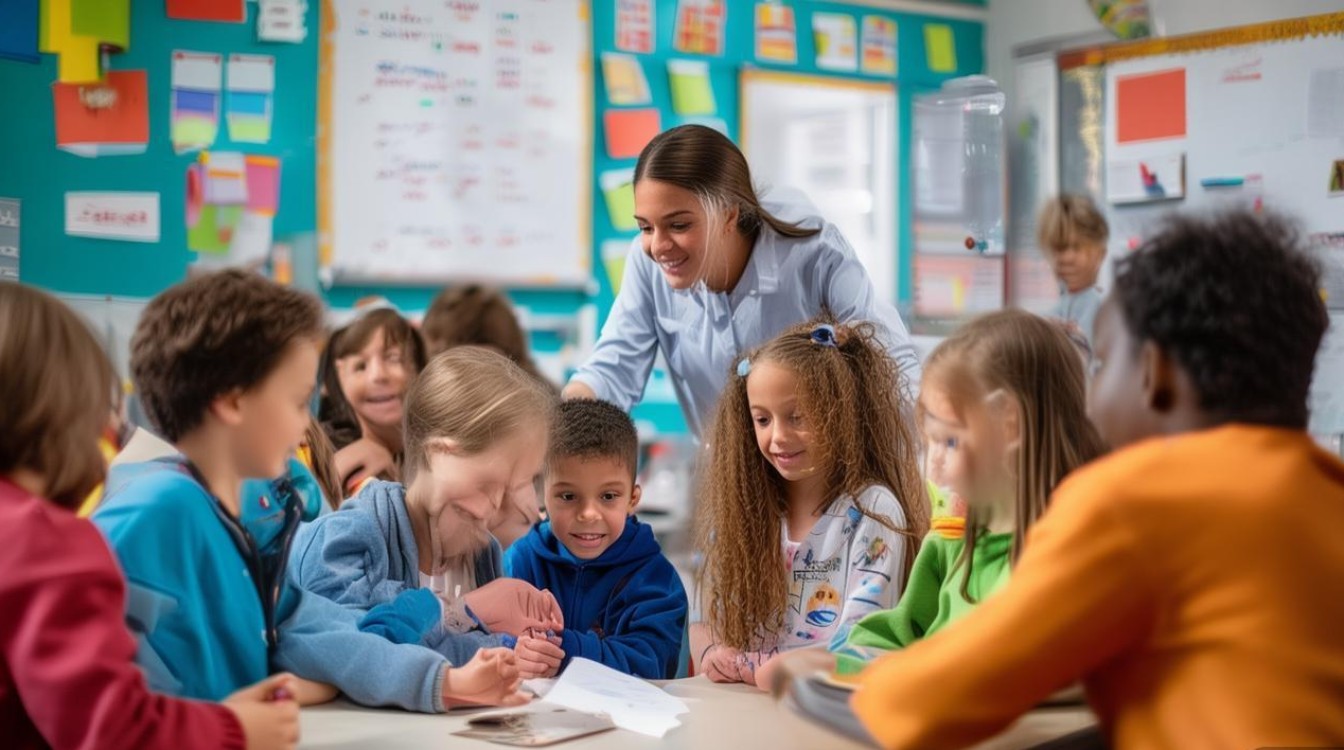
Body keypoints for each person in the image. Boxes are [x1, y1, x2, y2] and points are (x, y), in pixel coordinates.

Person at [850, 211, 1344, 747]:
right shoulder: (1328, 491)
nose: (1089, 398)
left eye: (1104, 365)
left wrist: (821, 683)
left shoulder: (1132, 501)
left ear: (1154, 376)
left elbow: (929, 702)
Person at [93, 270, 526, 714]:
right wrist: (219, 722)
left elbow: (315, 628)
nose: (306, 425)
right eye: (298, 402)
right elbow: (91, 687)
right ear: (232, 401)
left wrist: (442, 681)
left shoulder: (250, 519)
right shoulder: (155, 511)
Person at [0, 282, 300, 750]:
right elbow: (114, 730)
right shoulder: (45, 542)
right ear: (68, 411)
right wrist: (233, 729)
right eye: (299, 402)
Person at [565, 124, 920, 437]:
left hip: (823, 481)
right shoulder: (647, 266)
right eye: (645, 226)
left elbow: (893, 366)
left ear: (728, 215)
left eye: (679, 225)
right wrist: (556, 430)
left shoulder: (815, 255)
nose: (657, 246)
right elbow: (612, 371)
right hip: (728, 481)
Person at [834, 311, 1104, 673]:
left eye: (949, 440)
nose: (933, 465)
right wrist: (837, 662)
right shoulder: (950, 539)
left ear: (1009, 426)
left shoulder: (1073, 552)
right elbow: (900, 633)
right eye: (930, 442)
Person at [692, 316, 926, 688]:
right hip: (744, 712)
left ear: (840, 413)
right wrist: (711, 652)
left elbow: (862, 645)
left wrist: (762, 668)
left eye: (797, 416)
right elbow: (705, 623)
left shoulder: (873, 512)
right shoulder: (750, 511)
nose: (778, 437)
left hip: (827, 713)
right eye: (762, 419)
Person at [291, 347, 563, 665]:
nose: (496, 507)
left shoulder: (483, 554)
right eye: (489, 483)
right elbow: (356, 652)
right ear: (439, 454)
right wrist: (465, 610)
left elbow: (478, 651)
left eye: (515, 487)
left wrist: (522, 648)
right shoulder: (352, 534)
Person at [504, 399, 688, 679]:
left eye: (608, 497)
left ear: (632, 499)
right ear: (542, 495)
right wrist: (517, 651)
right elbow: (488, 638)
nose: (588, 514)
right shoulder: (520, 562)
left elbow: (650, 664)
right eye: (568, 496)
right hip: (529, 718)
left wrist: (563, 651)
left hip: (624, 721)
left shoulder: (656, 580)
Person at [318, 307, 427, 495]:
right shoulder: (334, 453)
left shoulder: (427, 449)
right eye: (360, 366)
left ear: (418, 367)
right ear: (338, 377)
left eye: (393, 359)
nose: (377, 376)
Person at [1036, 193, 1109, 345]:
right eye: (1059, 248)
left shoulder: (1108, 311)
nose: (1067, 258)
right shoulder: (1049, 315)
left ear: (1100, 253)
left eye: (1077, 247)